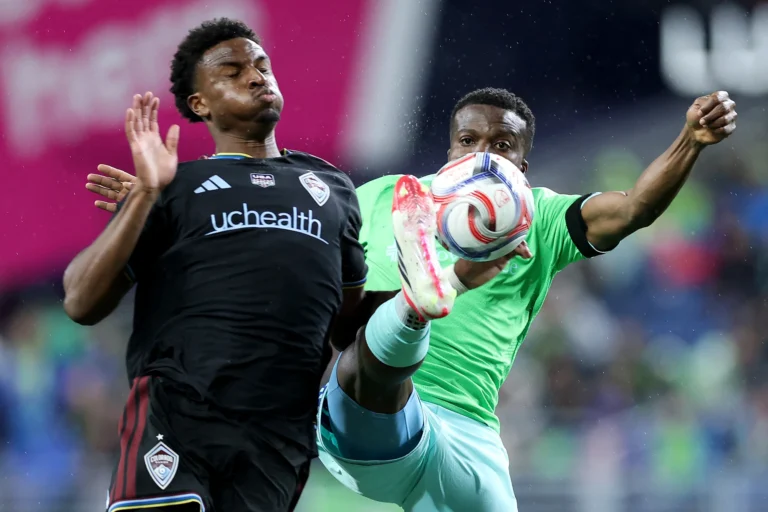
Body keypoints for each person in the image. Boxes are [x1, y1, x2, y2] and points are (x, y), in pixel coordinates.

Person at [85, 85, 736, 509]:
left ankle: (421, 301)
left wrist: (691, 142)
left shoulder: (540, 216)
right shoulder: (378, 196)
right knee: (365, 358)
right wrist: (170, 206)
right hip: (373, 417)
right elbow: (285, 263)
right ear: (450, 147)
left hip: (472, 438)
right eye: (471, 141)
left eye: (502, 146)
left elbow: (634, 209)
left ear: (525, 165)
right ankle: (422, 301)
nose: (484, 156)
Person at [70, 17, 515, 512]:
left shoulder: (333, 192)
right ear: (200, 104)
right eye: (232, 72)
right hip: (178, 420)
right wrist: (147, 195)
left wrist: (449, 281)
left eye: (262, 65)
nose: (257, 77)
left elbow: (346, 324)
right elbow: (81, 300)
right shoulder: (176, 189)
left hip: (277, 438)